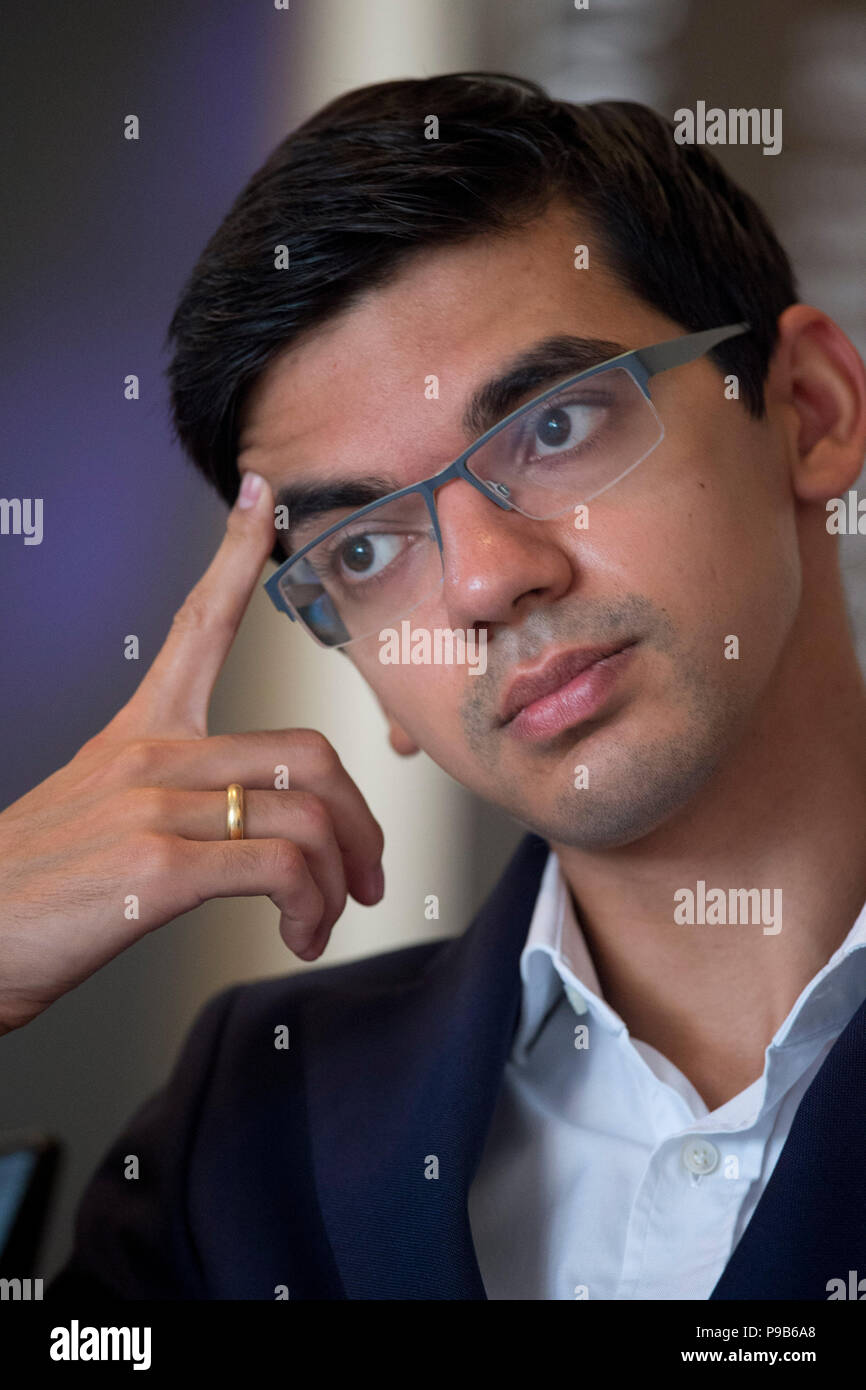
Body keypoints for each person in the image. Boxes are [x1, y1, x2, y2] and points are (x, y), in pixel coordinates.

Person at [3, 71, 864, 1299]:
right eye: (363, 549)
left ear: (809, 413)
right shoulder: (247, 1138)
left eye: (556, 426)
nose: (481, 584)